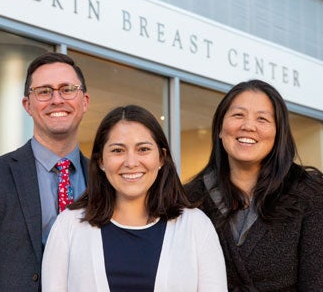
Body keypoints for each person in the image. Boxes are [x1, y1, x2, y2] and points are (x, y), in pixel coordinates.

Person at [0, 52, 90, 291]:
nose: (56, 99)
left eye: (67, 89)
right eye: (44, 91)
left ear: (84, 102)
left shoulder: (105, 179)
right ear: (27, 105)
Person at [42, 105, 228, 292]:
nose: (131, 162)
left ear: (161, 158)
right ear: (100, 161)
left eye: (143, 149)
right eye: (117, 151)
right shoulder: (69, 225)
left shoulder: (196, 226)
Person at [184, 79, 323, 291]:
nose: (248, 126)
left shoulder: (310, 195)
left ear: (279, 134)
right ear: (220, 128)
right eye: (238, 115)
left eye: (262, 119)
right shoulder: (190, 199)